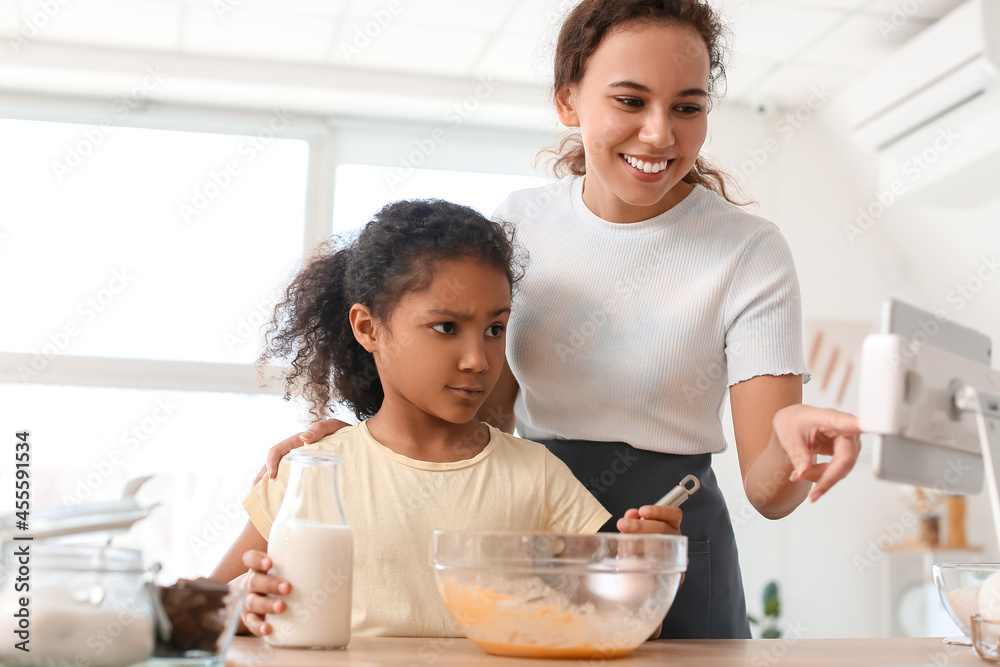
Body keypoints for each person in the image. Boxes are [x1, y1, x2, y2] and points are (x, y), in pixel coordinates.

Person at [255, 0, 863, 639]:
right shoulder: (523, 223)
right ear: (569, 102)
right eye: (630, 101)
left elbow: (770, 495)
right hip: (528, 524)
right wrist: (363, 446)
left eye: (688, 107)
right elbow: (480, 403)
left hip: (671, 529)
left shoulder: (749, 250)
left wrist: (793, 443)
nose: (660, 134)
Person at [212, 200, 681, 639]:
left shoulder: (536, 475)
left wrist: (648, 566)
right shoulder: (309, 472)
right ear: (368, 328)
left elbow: (626, 625)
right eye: (446, 328)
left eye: (495, 329)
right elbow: (194, 614)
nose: (478, 359)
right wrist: (236, 602)